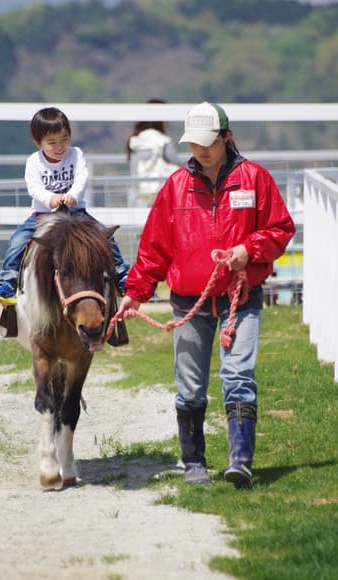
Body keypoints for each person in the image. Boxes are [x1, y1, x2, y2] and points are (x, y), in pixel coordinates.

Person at [117, 101, 295, 487]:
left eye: (206, 143)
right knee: (190, 384)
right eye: (193, 144)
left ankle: (240, 461)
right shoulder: (176, 186)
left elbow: (280, 228)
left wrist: (249, 250)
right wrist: (136, 292)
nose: (198, 151)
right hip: (188, 300)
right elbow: (154, 248)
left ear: (226, 138)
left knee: (239, 375)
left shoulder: (254, 179)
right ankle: (194, 461)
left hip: (240, 296)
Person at [0, 107, 129, 305]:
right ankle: (7, 282)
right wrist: (50, 198)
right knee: (18, 240)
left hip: (77, 213)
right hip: (42, 214)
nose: (60, 147)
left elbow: (81, 178)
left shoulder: (76, 154)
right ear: (38, 143)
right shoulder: (34, 162)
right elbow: (34, 188)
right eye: (52, 142)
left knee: (104, 235)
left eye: (65, 139)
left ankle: (122, 276)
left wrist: (73, 195)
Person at [126, 98, 181, 207]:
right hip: (161, 195)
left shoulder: (135, 140)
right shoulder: (163, 141)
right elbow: (177, 162)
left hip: (140, 196)